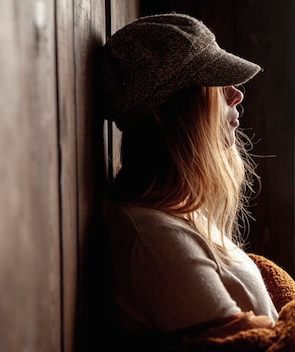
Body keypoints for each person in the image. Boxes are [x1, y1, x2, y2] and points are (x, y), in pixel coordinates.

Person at [100, 13, 278, 349]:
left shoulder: (177, 212)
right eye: (215, 81)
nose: (236, 94)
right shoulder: (155, 239)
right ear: (164, 111)